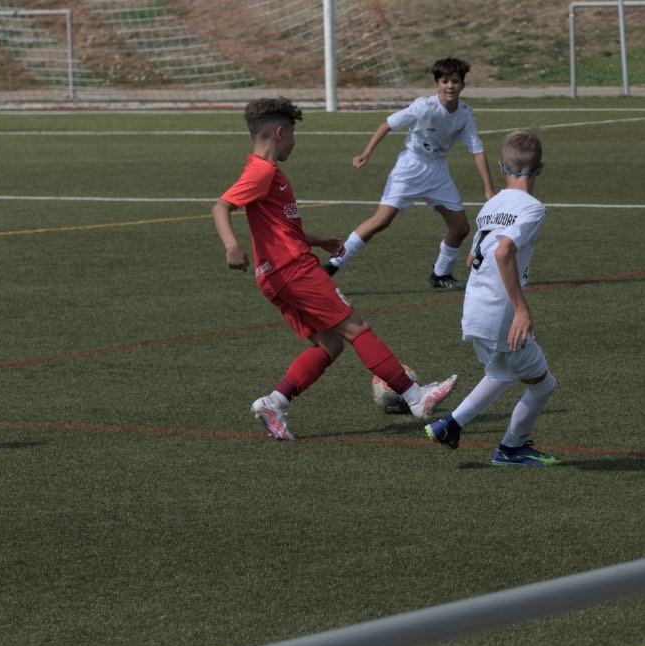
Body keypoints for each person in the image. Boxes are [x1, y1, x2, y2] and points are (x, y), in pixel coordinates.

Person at [212, 97, 458, 440]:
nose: (293, 142)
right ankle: (416, 396)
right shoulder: (262, 171)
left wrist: (318, 240)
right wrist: (231, 245)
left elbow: (279, 227)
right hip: (293, 269)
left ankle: (274, 403)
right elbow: (221, 207)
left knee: (330, 345)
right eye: (292, 134)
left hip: (274, 274)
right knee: (356, 328)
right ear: (279, 133)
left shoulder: (265, 172)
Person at [425, 129, 559, 467]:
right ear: (541, 169)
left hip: (474, 307)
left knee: (503, 372)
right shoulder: (533, 208)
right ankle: (511, 448)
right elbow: (503, 252)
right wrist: (521, 309)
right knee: (543, 386)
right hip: (501, 313)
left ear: (501, 167)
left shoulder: (491, 205)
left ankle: (449, 426)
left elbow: (472, 258)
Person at [324, 56, 495, 289]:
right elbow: (387, 124)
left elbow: (477, 150)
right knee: (381, 221)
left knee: (461, 227)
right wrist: (366, 153)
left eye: (455, 81)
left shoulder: (465, 114)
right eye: (445, 81)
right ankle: (332, 265)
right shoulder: (423, 107)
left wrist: (488, 189)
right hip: (410, 168)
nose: (450, 86)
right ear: (436, 85)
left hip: (438, 172)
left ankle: (441, 274)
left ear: (462, 85)